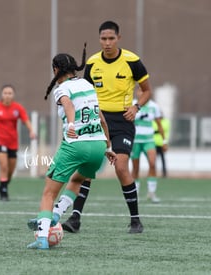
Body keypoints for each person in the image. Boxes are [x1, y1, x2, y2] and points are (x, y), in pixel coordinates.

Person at [62, 20, 151, 234]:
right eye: (103, 39)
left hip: (122, 122)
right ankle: (75, 219)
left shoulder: (132, 61)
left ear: (118, 38)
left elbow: (146, 90)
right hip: (96, 120)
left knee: (121, 167)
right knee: (87, 168)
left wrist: (136, 106)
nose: (107, 43)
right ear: (99, 39)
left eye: (111, 38)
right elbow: (85, 93)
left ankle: (135, 220)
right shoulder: (92, 63)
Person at [26, 46, 116, 250]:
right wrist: (108, 147)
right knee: (77, 180)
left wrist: (73, 124)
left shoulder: (62, 89)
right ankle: (56, 215)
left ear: (56, 69)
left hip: (76, 144)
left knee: (48, 193)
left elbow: (68, 105)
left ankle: (41, 238)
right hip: (98, 146)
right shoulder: (86, 83)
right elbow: (101, 118)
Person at [0, 84, 36, 201]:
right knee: (3, 166)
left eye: (10, 93)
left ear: (13, 95)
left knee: (10, 171)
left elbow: (26, 120)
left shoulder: (18, 108)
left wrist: (31, 131)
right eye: (5, 93)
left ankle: (2, 186)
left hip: (13, 143)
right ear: (2, 94)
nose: (7, 95)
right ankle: (4, 193)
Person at [131, 88, 166, 203]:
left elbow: (159, 125)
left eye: (143, 91)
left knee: (152, 163)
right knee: (135, 168)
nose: (141, 93)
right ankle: (134, 194)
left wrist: (164, 141)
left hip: (149, 141)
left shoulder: (154, 106)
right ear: (137, 93)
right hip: (135, 141)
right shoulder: (132, 105)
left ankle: (151, 193)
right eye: (139, 91)